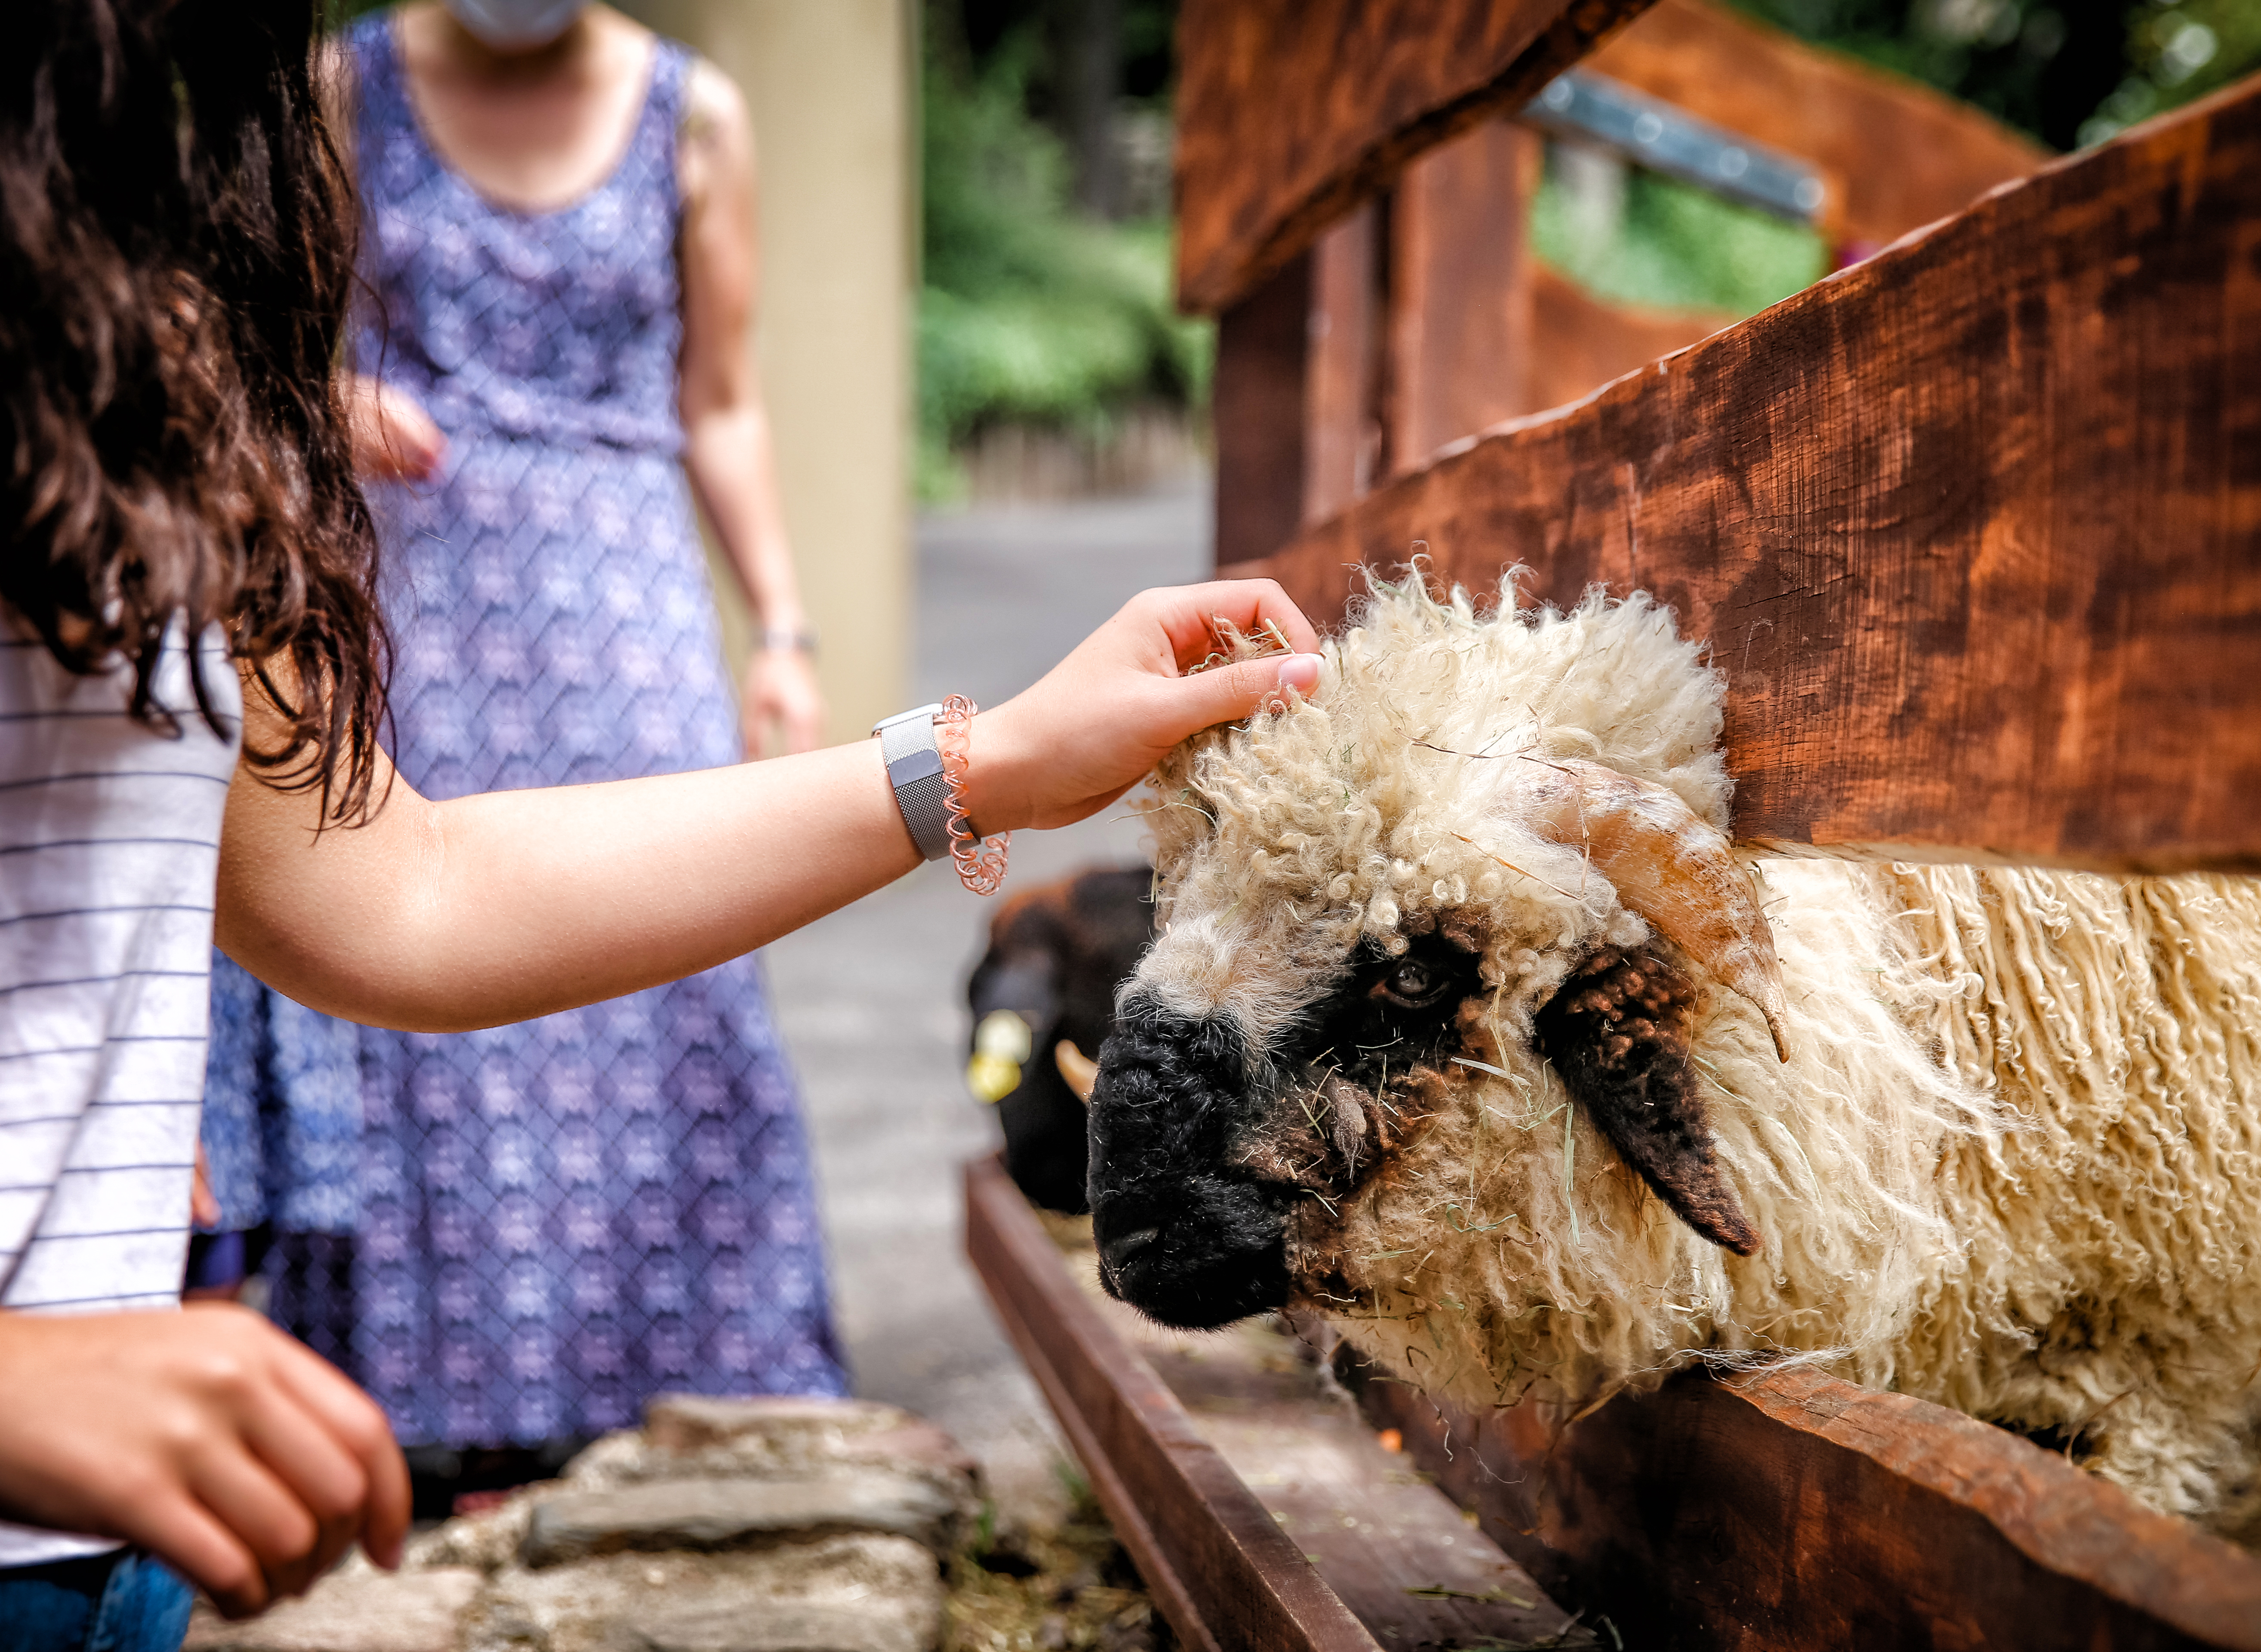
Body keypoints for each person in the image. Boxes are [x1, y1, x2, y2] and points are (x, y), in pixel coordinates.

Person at [0, 3, 1319, 1645]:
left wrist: (985, 759)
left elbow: (396, 887)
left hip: (95, 1550)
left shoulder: (153, 367)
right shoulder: (324, 129)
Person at [198, 0, 851, 1467]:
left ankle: (695, 1389)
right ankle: (424, 1423)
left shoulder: (694, 113)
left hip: (621, 594)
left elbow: (724, 403)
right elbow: (255, 352)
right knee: (404, 962)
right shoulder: (342, 84)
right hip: (416, 586)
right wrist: (331, 398)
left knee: (671, 950)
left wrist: (785, 632)